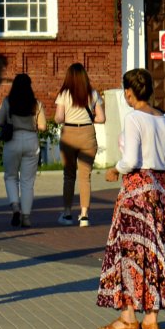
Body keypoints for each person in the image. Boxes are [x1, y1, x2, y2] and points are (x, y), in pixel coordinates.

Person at [96, 68, 165, 329]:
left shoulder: (134, 118)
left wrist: (115, 169)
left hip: (137, 189)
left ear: (129, 92)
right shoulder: (164, 119)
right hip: (162, 188)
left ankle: (128, 316)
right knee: (156, 251)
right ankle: (152, 318)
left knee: (127, 250)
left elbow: (131, 159)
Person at [56, 62, 106, 227]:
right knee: (85, 177)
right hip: (87, 134)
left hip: (69, 134)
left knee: (69, 176)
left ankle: (67, 213)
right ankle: (84, 215)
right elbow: (101, 118)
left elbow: (59, 118)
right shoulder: (93, 94)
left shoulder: (64, 94)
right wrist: (88, 117)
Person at [0, 73, 46, 228]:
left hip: (13, 140)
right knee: (27, 181)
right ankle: (26, 217)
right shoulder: (36, 104)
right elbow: (43, 126)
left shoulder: (8, 102)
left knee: (11, 176)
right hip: (31, 140)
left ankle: (15, 206)